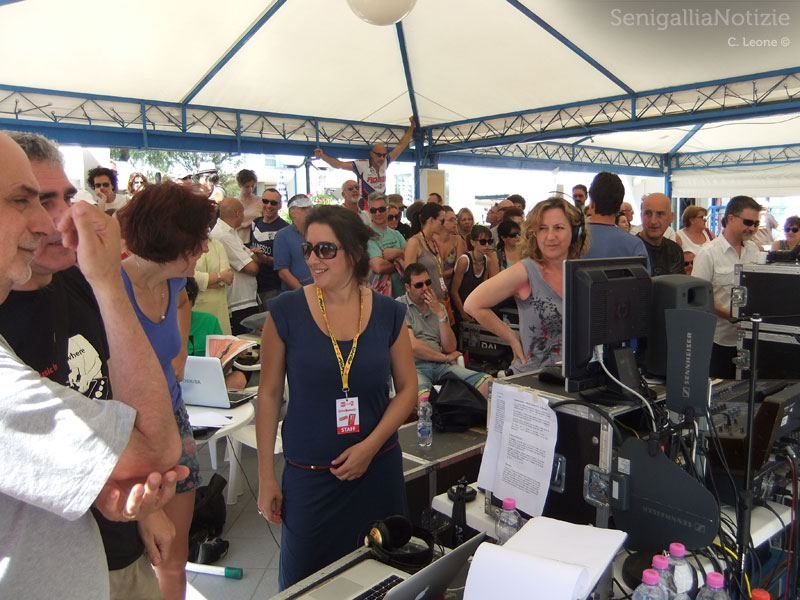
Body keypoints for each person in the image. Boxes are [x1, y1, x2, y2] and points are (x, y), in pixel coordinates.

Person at [0, 132, 184, 598]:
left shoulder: (75, 285)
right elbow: (152, 444)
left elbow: (115, 390)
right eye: (32, 200)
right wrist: (107, 280)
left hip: (107, 541)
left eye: (65, 197)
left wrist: (144, 508)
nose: (52, 220)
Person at [255, 205, 417, 590]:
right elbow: (268, 394)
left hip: (378, 469)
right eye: (308, 249)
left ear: (355, 252)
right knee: (306, 584)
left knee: (383, 576)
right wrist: (265, 476)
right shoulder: (285, 312)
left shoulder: (389, 313)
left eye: (325, 249)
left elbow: (408, 389)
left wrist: (370, 446)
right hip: (312, 474)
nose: (312, 259)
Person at [117, 182, 218, 600]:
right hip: (127, 434)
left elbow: (173, 357)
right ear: (172, 241)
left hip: (173, 422)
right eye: (197, 243)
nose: (203, 251)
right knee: (134, 561)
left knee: (173, 557)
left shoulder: (175, 284)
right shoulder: (113, 288)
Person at [465, 197, 589, 373]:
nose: (550, 236)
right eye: (542, 229)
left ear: (576, 233)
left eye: (559, 228)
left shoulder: (581, 273)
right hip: (533, 380)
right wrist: (512, 338)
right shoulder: (526, 271)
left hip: (573, 377)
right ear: (534, 234)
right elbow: (472, 304)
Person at [692, 195, 762, 379]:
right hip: (719, 341)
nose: (753, 228)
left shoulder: (755, 250)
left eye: (756, 223)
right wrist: (731, 316)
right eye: (748, 222)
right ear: (730, 218)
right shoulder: (708, 253)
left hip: (750, 340)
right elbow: (698, 299)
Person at [399, 263, 492, 399]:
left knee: (489, 384)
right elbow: (413, 347)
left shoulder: (439, 307)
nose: (425, 288)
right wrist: (445, 358)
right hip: (415, 367)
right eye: (419, 285)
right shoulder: (399, 306)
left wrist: (441, 315)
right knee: (425, 399)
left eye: (428, 282)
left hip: (440, 366)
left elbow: (450, 347)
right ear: (407, 287)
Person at [314, 117, 416, 207]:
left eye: (384, 155)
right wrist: (322, 156)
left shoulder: (386, 161)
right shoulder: (362, 165)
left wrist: (412, 127)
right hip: (366, 207)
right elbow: (339, 164)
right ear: (372, 154)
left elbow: (401, 146)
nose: (381, 158)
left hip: (382, 205)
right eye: (378, 155)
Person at [210, 197, 261, 334]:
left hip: (245, 298)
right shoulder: (223, 235)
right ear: (238, 213)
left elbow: (253, 258)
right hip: (239, 302)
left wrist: (253, 257)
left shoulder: (231, 233)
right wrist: (253, 257)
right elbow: (252, 268)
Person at [583, 172, 650, 271]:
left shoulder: (572, 239)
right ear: (619, 208)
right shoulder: (635, 245)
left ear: (591, 204)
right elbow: (644, 283)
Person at [451, 225, 498, 323]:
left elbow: (483, 288)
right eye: (482, 242)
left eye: (489, 242)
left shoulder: (487, 261)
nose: (486, 245)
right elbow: (454, 291)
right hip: (460, 308)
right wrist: (463, 314)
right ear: (472, 242)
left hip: (474, 307)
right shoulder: (464, 261)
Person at [251, 187, 289, 305]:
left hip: (273, 287)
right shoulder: (255, 223)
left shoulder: (285, 229)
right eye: (265, 201)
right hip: (254, 285)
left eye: (273, 203)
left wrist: (265, 259)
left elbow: (286, 262)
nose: (268, 205)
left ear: (279, 205)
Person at [404, 203, 449, 302]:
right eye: (442, 221)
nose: (444, 225)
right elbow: (409, 276)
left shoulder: (434, 241)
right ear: (431, 220)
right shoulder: (414, 242)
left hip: (440, 299)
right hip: (424, 302)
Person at [366, 191, 406, 297]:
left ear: (387, 210)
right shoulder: (368, 235)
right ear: (369, 212)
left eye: (381, 209)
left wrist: (398, 252)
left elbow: (411, 258)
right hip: (381, 296)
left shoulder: (396, 234)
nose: (377, 213)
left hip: (403, 293)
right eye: (373, 210)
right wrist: (401, 261)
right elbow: (378, 267)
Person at [636, 193, 685, 276]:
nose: (653, 221)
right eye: (648, 213)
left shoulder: (675, 250)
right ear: (641, 216)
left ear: (671, 217)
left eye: (660, 214)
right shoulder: (631, 250)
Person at [193, 237, 234, 335]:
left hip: (218, 311)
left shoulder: (217, 245)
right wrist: (219, 276)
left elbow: (228, 278)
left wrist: (202, 283)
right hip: (195, 310)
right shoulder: (182, 246)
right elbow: (188, 278)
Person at [273, 194, 314, 290]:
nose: (308, 211)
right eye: (303, 208)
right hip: (297, 295)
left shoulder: (317, 232)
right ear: (292, 213)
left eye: (310, 207)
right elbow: (283, 272)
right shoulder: (282, 236)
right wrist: (304, 293)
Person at [437, 205, 467, 293]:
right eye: (451, 220)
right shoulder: (430, 240)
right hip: (433, 286)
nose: (456, 223)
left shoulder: (457, 239)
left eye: (455, 219)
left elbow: (459, 268)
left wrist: (441, 275)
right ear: (441, 221)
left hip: (452, 286)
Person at [235, 168, 261, 243]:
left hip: (256, 241)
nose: (250, 189)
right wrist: (244, 224)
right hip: (238, 241)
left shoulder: (260, 201)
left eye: (252, 186)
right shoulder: (234, 202)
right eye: (247, 186)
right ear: (239, 185)